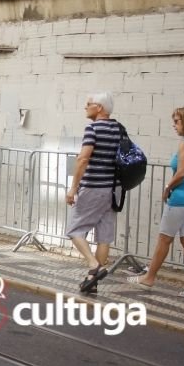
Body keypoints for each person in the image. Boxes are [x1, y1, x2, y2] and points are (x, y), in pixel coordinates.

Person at [128, 107, 184, 298]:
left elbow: (181, 173)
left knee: (164, 239)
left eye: (177, 121)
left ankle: (149, 278)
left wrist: (167, 188)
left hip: (181, 200)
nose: (174, 125)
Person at [65, 92, 120, 294]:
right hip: (113, 190)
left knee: (74, 230)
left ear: (99, 108)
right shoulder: (119, 129)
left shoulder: (93, 128)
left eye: (88, 104)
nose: (85, 107)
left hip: (93, 186)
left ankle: (93, 265)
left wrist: (73, 188)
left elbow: (83, 159)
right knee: (104, 237)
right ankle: (92, 282)